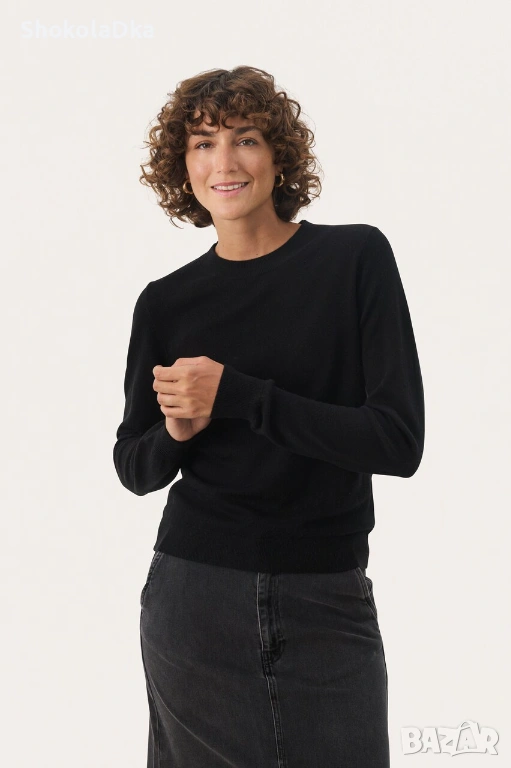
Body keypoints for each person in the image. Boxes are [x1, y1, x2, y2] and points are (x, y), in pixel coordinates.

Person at [113, 65, 425, 768]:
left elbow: (397, 441)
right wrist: (176, 433)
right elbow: (133, 466)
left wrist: (242, 397)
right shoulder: (165, 302)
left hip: (325, 596)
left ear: (278, 155)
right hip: (195, 597)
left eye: (245, 138)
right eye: (202, 143)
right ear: (182, 167)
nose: (223, 162)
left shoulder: (355, 259)